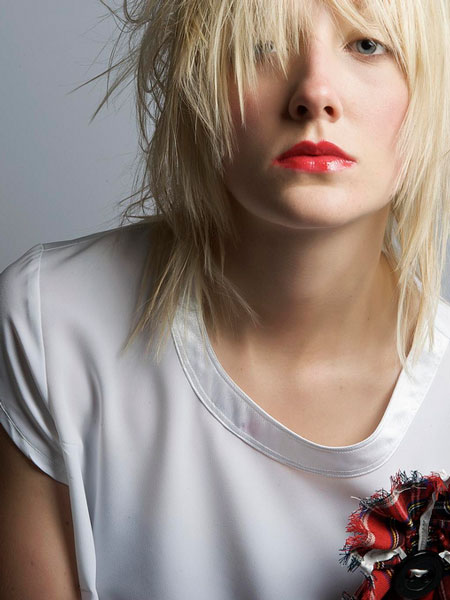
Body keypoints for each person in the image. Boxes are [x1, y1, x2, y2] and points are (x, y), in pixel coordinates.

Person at [1, 0, 450, 598]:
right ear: (197, 82)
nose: (314, 94)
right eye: (262, 44)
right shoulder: (53, 322)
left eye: (367, 45)